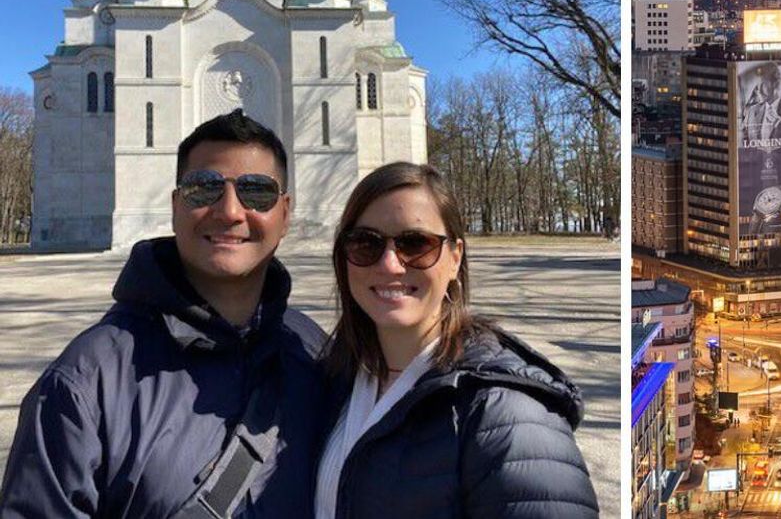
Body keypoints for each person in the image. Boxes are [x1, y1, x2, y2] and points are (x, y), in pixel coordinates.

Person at [0, 110, 327, 518]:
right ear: (175, 206)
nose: (229, 212)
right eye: (203, 188)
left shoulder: (314, 353)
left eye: (256, 192)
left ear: (285, 212)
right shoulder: (87, 380)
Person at [315, 162, 598, 518]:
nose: (390, 264)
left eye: (416, 244)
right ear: (344, 257)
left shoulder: (507, 414)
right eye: (365, 243)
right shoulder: (336, 381)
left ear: (455, 258)